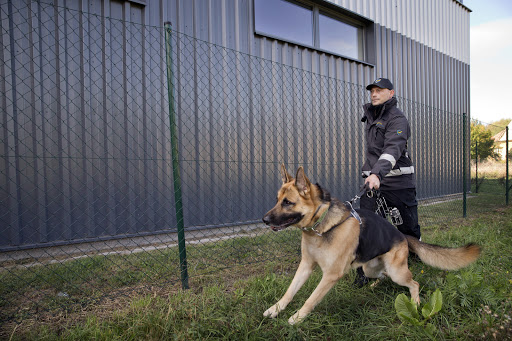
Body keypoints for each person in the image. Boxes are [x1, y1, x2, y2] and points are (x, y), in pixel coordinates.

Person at [354, 77, 421, 287]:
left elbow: (393, 149)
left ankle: (412, 263)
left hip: (398, 183)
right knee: (365, 228)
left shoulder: (397, 119)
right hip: (373, 184)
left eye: (379, 90)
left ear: (391, 93)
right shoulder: (371, 117)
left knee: (406, 230)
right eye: (372, 90)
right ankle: (364, 272)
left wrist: (378, 173)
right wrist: (371, 175)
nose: (374, 94)